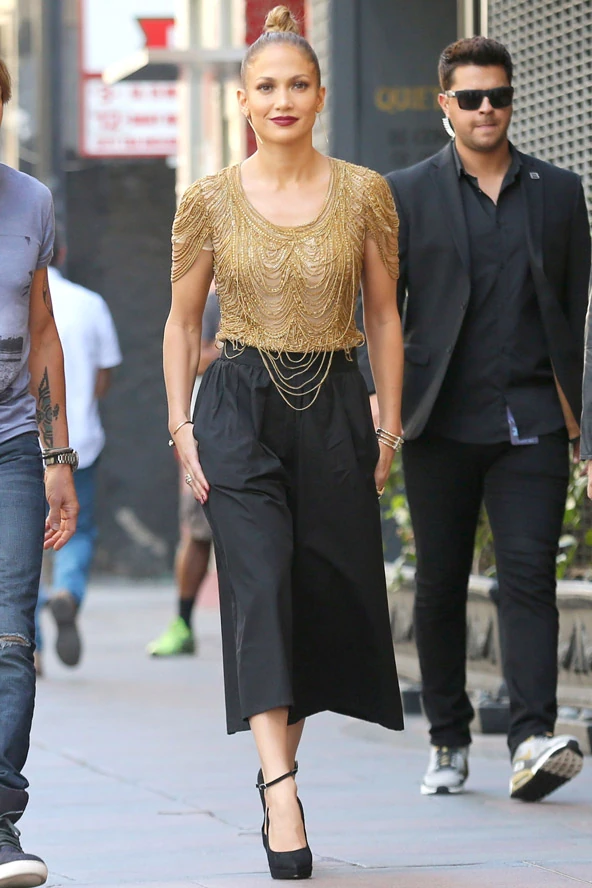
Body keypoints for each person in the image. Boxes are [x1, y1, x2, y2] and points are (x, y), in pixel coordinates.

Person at [163, 6, 404, 879]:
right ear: (242, 100)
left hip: (336, 404)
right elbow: (180, 322)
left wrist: (388, 425)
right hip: (236, 404)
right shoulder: (209, 200)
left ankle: (278, 768)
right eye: (265, 86)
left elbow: (385, 316)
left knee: (315, 596)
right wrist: (181, 425)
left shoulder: (365, 192)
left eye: (297, 84)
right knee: (260, 583)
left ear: (321, 95)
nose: (282, 99)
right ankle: (281, 790)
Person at [384, 36, 590, 802]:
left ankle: (532, 737)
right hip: (439, 423)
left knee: (529, 578)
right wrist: (384, 412)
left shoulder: (559, 193)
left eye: (498, 96)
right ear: (445, 104)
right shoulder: (406, 193)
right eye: (470, 98)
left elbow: (577, 317)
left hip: (532, 421)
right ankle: (448, 735)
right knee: (440, 585)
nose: (486, 110)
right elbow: (384, 314)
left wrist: (585, 430)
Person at [0, 58, 79, 886]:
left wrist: (57, 456)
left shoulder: (31, 201)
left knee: (11, 635)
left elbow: (43, 328)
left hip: (11, 444)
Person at [35, 247, 122, 671]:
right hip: (79, 442)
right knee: (76, 527)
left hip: (21, 443)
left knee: (20, 540)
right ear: (62, 252)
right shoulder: (90, 303)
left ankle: (27, 644)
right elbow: (104, 377)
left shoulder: (12, 300)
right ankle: (66, 591)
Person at [147, 289, 220, 657]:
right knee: (198, 532)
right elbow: (193, 354)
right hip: (209, 434)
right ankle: (183, 623)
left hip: (261, 429)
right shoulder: (211, 299)